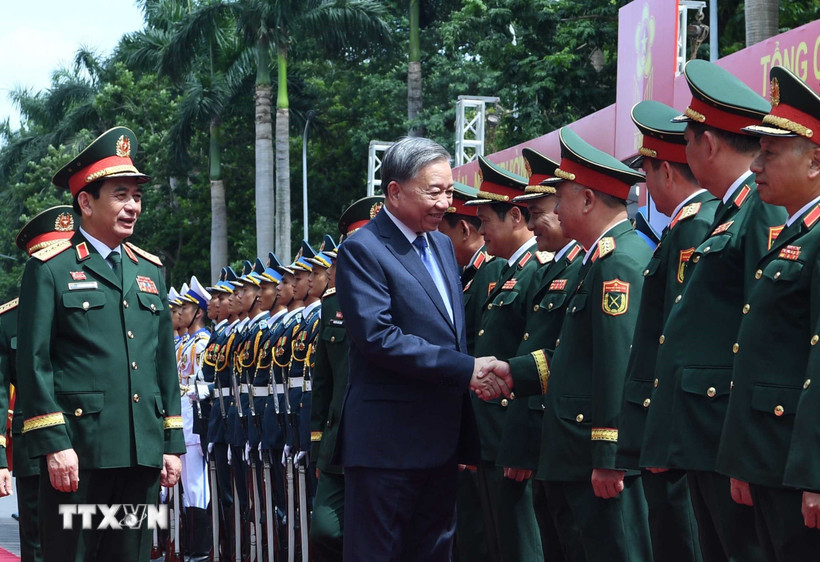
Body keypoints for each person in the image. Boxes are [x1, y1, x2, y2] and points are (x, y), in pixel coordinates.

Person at [334, 136, 511, 561]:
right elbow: (380, 338)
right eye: (434, 192)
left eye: (449, 191)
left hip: (441, 442)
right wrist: (465, 368)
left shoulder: (443, 247)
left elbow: (450, 332)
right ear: (394, 192)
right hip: (387, 447)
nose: (445, 203)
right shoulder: (363, 250)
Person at [640, 60, 786, 562]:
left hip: (725, 425)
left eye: (688, 140)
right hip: (706, 429)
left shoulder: (760, 208)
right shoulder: (729, 210)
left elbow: (764, 328)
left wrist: (745, 443)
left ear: (707, 144)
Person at [16, 127, 185, 561]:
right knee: (75, 554)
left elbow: (164, 363)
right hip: (80, 455)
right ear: (86, 202)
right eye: (121, 194)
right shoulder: (50, 269)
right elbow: (34, 363)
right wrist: (55, 444)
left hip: (139, 455)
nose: (133, 206)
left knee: (129, 555)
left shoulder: (150, 271)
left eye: (137, 197)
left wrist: (170, 444)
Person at [496, 127, 654, 561]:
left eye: (560, 199)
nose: (552, 213)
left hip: (595, 462)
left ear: (587, 199)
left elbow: (617, 361)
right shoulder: (595, 260)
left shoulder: (618, 260)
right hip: (572, 457)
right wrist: (516, 371)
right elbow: (575, 356)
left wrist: (609, 454)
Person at [715, 65, 820, 560]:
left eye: (770, 154)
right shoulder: (796, 238)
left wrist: (814, 473)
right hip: (771, 460)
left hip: (797, 467)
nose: (755, 166)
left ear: (815, 161)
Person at [616, 100, 720, 562]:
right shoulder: (684, 228)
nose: (647, 188)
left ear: (667, 173)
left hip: (684, 434)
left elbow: (678, 340)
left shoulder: (694, 227)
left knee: (686, 541)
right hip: (670, 431)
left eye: (648, 173)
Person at [464, 153, 548, 562]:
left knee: (521, 545)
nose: (481, 232)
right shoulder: (499, 273)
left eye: (486, 222)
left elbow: (536, 361)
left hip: (513, 435)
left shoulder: (537, 271)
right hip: (490, 434)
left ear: (515, 217)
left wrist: (523, 443)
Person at [506, 147, 586, 562]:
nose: (534, 223)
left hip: (567, 438)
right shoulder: (549, 269)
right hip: (545, 438)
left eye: (541, 212)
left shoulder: (587, 268)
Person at [0, 206, 78, 562]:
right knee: (37, 540)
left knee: (95, 531)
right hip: (34, 442)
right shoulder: (8, 319)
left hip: (93, 436)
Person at [310, 196, 383, 562]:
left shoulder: (399, 296)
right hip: (341, 441)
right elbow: (322, 382)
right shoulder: (331, 305)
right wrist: (317, 447)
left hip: (387, 441)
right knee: (325, 528)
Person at [177, 276, 213, 561]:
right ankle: (190, 544)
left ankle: (200, 548)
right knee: (188, 487)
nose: (181, 312)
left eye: (186, 307)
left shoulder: (201, 344)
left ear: (198, 311)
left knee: (197, 485)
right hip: (183, 420)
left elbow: (199, 385)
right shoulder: (188, 343)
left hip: (193, 420)